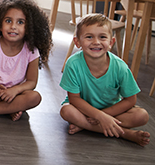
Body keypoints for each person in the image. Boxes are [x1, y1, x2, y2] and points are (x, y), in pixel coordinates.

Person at [60, 13, 150, 146]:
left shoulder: (120, 67)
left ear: (111, 42)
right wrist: (99, 116)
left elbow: (131, 100)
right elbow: (74, 99)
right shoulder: (73, 64)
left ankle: (85, 126)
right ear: (77, 42)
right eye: (89, 37)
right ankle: (123, 133)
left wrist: (103, 115)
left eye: (102, 37)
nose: (96, 42)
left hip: (112, 111)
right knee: (66, 110)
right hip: (83, 110)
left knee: (142, 115)